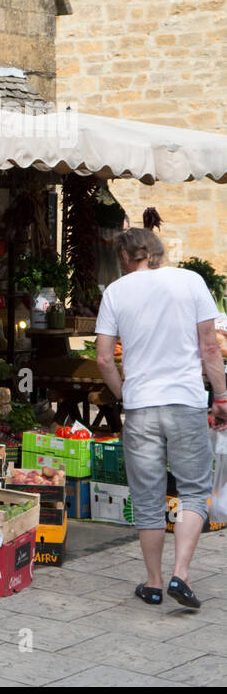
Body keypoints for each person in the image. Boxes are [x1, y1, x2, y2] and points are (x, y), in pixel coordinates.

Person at [95, 228, 227, 609]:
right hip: (185, 403)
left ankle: (152, 583)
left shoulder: (115, 292)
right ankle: (180, 575)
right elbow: (209, 348)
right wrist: (220, 397)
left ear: (124, 257)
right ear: (156, 251)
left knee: (148, 497)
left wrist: (125, 396)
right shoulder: (191, 281)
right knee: (192, 491)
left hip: (141, 408)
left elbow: (104, 359)